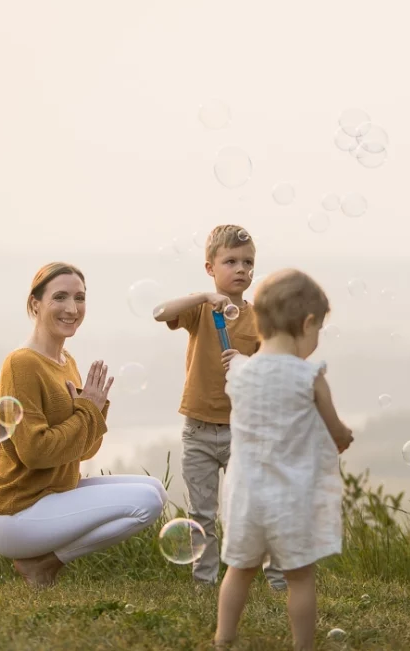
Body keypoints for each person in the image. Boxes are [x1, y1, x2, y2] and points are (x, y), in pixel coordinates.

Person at [0, 262, 168, 588]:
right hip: (16, 513)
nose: (72, 308)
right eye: (60, 297)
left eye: (80, 298)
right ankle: (44, 565)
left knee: (155, 489)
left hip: (54, 495)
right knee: (147, 504)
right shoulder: (22, 364)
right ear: (35, 304)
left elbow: (84, 449)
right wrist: (86, 410)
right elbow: (35, 453)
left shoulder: (68, 363)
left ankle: (42, 563)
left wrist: (94, 409)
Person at [213, 268, 354, 650]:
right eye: (318, 329)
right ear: (307, 323)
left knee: (238, 571)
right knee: (300, 577)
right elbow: (335, 429)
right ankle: (302, 646)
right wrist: (343, 437)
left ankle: (223, 639)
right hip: (291, 498)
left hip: (245, 498)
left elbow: (243, 391)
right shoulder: (309, 376)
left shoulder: (239, 373)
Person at [154, 225, 287, 590]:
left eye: (248, 262)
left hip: (241, 430)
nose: (241, 269)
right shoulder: (200, 311)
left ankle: (277, 579)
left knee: (255, 507)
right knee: (201, 513)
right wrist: (203, 297)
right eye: (230, 261)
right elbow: (159, 312)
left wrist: (246, 361)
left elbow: (270, 372)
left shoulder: (259, 317)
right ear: (210, 267)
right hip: (197, 430)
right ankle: (205, 582)